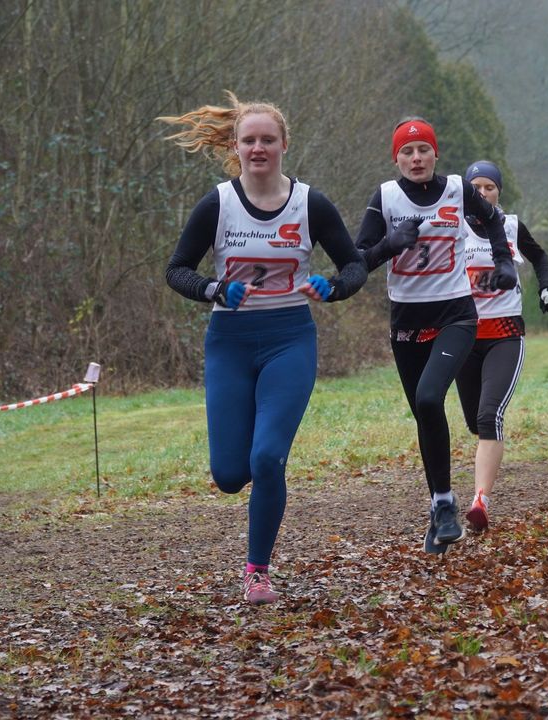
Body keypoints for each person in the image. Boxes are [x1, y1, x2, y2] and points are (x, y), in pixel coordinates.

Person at [160, 92, 367, 605]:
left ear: (283, 145)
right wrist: (213, 289)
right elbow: (176, 269)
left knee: (268, 458)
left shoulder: (310, 204)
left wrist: (331, 287)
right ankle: (249, 505)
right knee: (231, 475)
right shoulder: (218, 203)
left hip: (289, 339)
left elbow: (355, 266)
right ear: (236, 146)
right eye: (249, 140)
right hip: (229, 341)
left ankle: (258, 572)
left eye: (267, 140)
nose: (258, 148)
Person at [354, 119, 517, 554]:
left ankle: (444, 504)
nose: (416, 158)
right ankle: (440, 508)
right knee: (425, 414)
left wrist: (503, 262)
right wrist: (389, 244)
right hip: (406, 322)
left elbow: (495, 221)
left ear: (436, 154)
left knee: (429, 398)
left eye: (423, 149)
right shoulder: (384, 198)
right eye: (407, 152)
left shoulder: (457, 190)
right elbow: (356, 261)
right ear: (396, 159)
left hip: (456, 316)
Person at [453, 160, 548, 532]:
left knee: (489, 417)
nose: (482, 194)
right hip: (464, 336)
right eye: (476, 188)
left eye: (489, 188)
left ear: (498, 192)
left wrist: (547, 288)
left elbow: (541, 256)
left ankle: (480, 500)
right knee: (475, 421)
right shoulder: (451, 227)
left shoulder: (511, 226)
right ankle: (486, 464)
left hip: (504, 334)